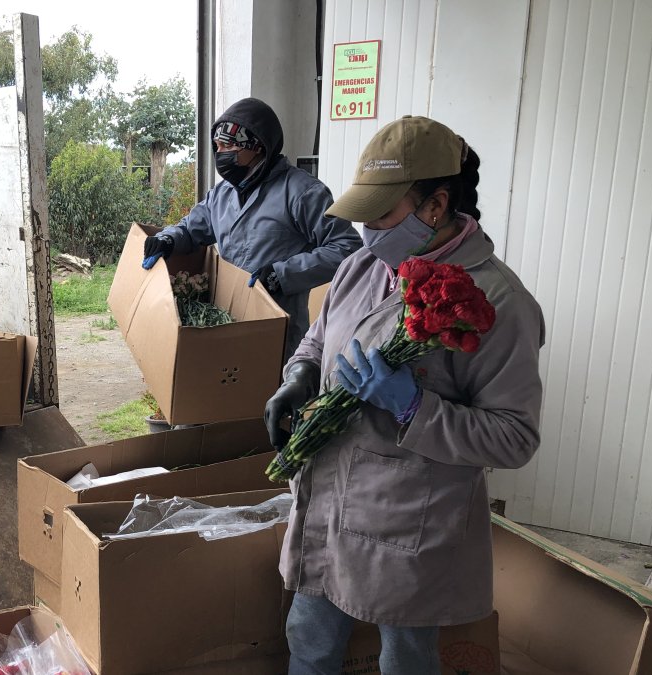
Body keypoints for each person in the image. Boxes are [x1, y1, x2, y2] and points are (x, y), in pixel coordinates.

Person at [263, 116, 545, 674]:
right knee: (309, 641)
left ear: (435, 207)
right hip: (327, 501)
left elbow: (514, 438)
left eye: (382, 216)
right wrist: (297, 378)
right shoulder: (361, 267)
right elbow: (319, 342)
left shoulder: (498, 302)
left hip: (407, 521)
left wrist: (414, 408)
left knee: (405, 660)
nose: (367, 230)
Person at [141, 98, 360, 358]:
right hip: (226, 320)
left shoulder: (302, 192)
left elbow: (347, 248)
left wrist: (283, 274)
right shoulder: (222, 194)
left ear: (256, 146)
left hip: (277, 328)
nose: (220, 154)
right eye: (217, 146)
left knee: (270, 393)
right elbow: (192, 229)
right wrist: (167, 239)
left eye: (228, 146)